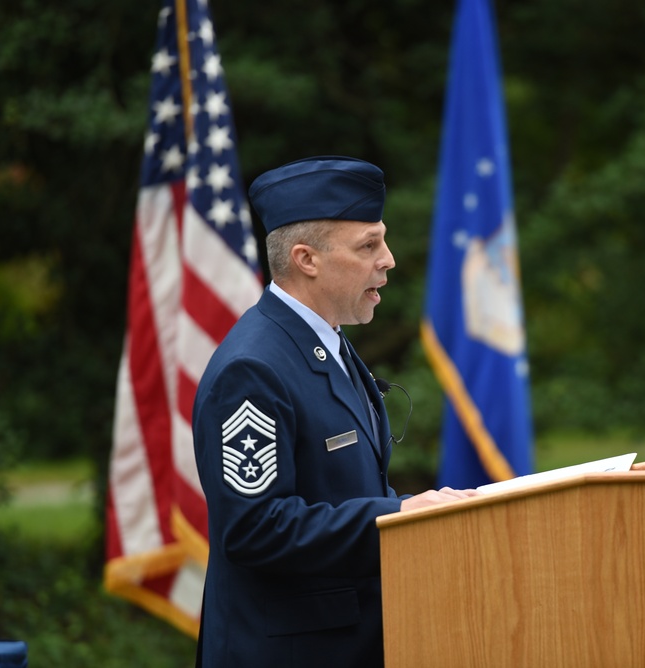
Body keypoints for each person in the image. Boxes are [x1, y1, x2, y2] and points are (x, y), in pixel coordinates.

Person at [192, 156, 477, 667]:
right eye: (368, 245)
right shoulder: (253, 368)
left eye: (382, 241)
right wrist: (397, 516)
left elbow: (344, 492)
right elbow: (255, 527)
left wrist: (407, 515)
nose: (388, 259)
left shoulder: (324, 342)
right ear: (306, 259)